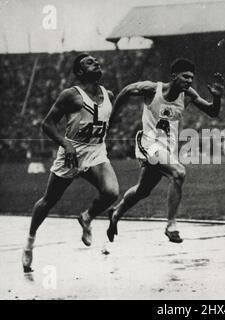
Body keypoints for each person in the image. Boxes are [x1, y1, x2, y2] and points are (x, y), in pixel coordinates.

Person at [106, 58, 224, 243]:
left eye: (192, 77)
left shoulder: (189, 94)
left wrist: (216, 97)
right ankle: (171, 225)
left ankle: (116, 212)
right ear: (173, 76)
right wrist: (111, 120)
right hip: (148, 144)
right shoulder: (153, 89)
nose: (189, 81)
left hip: (166, 149)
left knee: (143, 190)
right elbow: (125, 91)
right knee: (178, 173)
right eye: (185, 77)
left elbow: (213, 112)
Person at [22, 53, 119, 272]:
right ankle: (29, 241)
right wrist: (66, 144)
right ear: (80, 72)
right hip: (71, 153)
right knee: (49, 200)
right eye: (89, 62)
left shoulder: (109, 94)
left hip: (96, 152)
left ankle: (87, 217)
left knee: (112, 192)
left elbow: (101, 120)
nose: (97, 62)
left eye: (97, 60)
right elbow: (47, 124)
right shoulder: (71, 95)